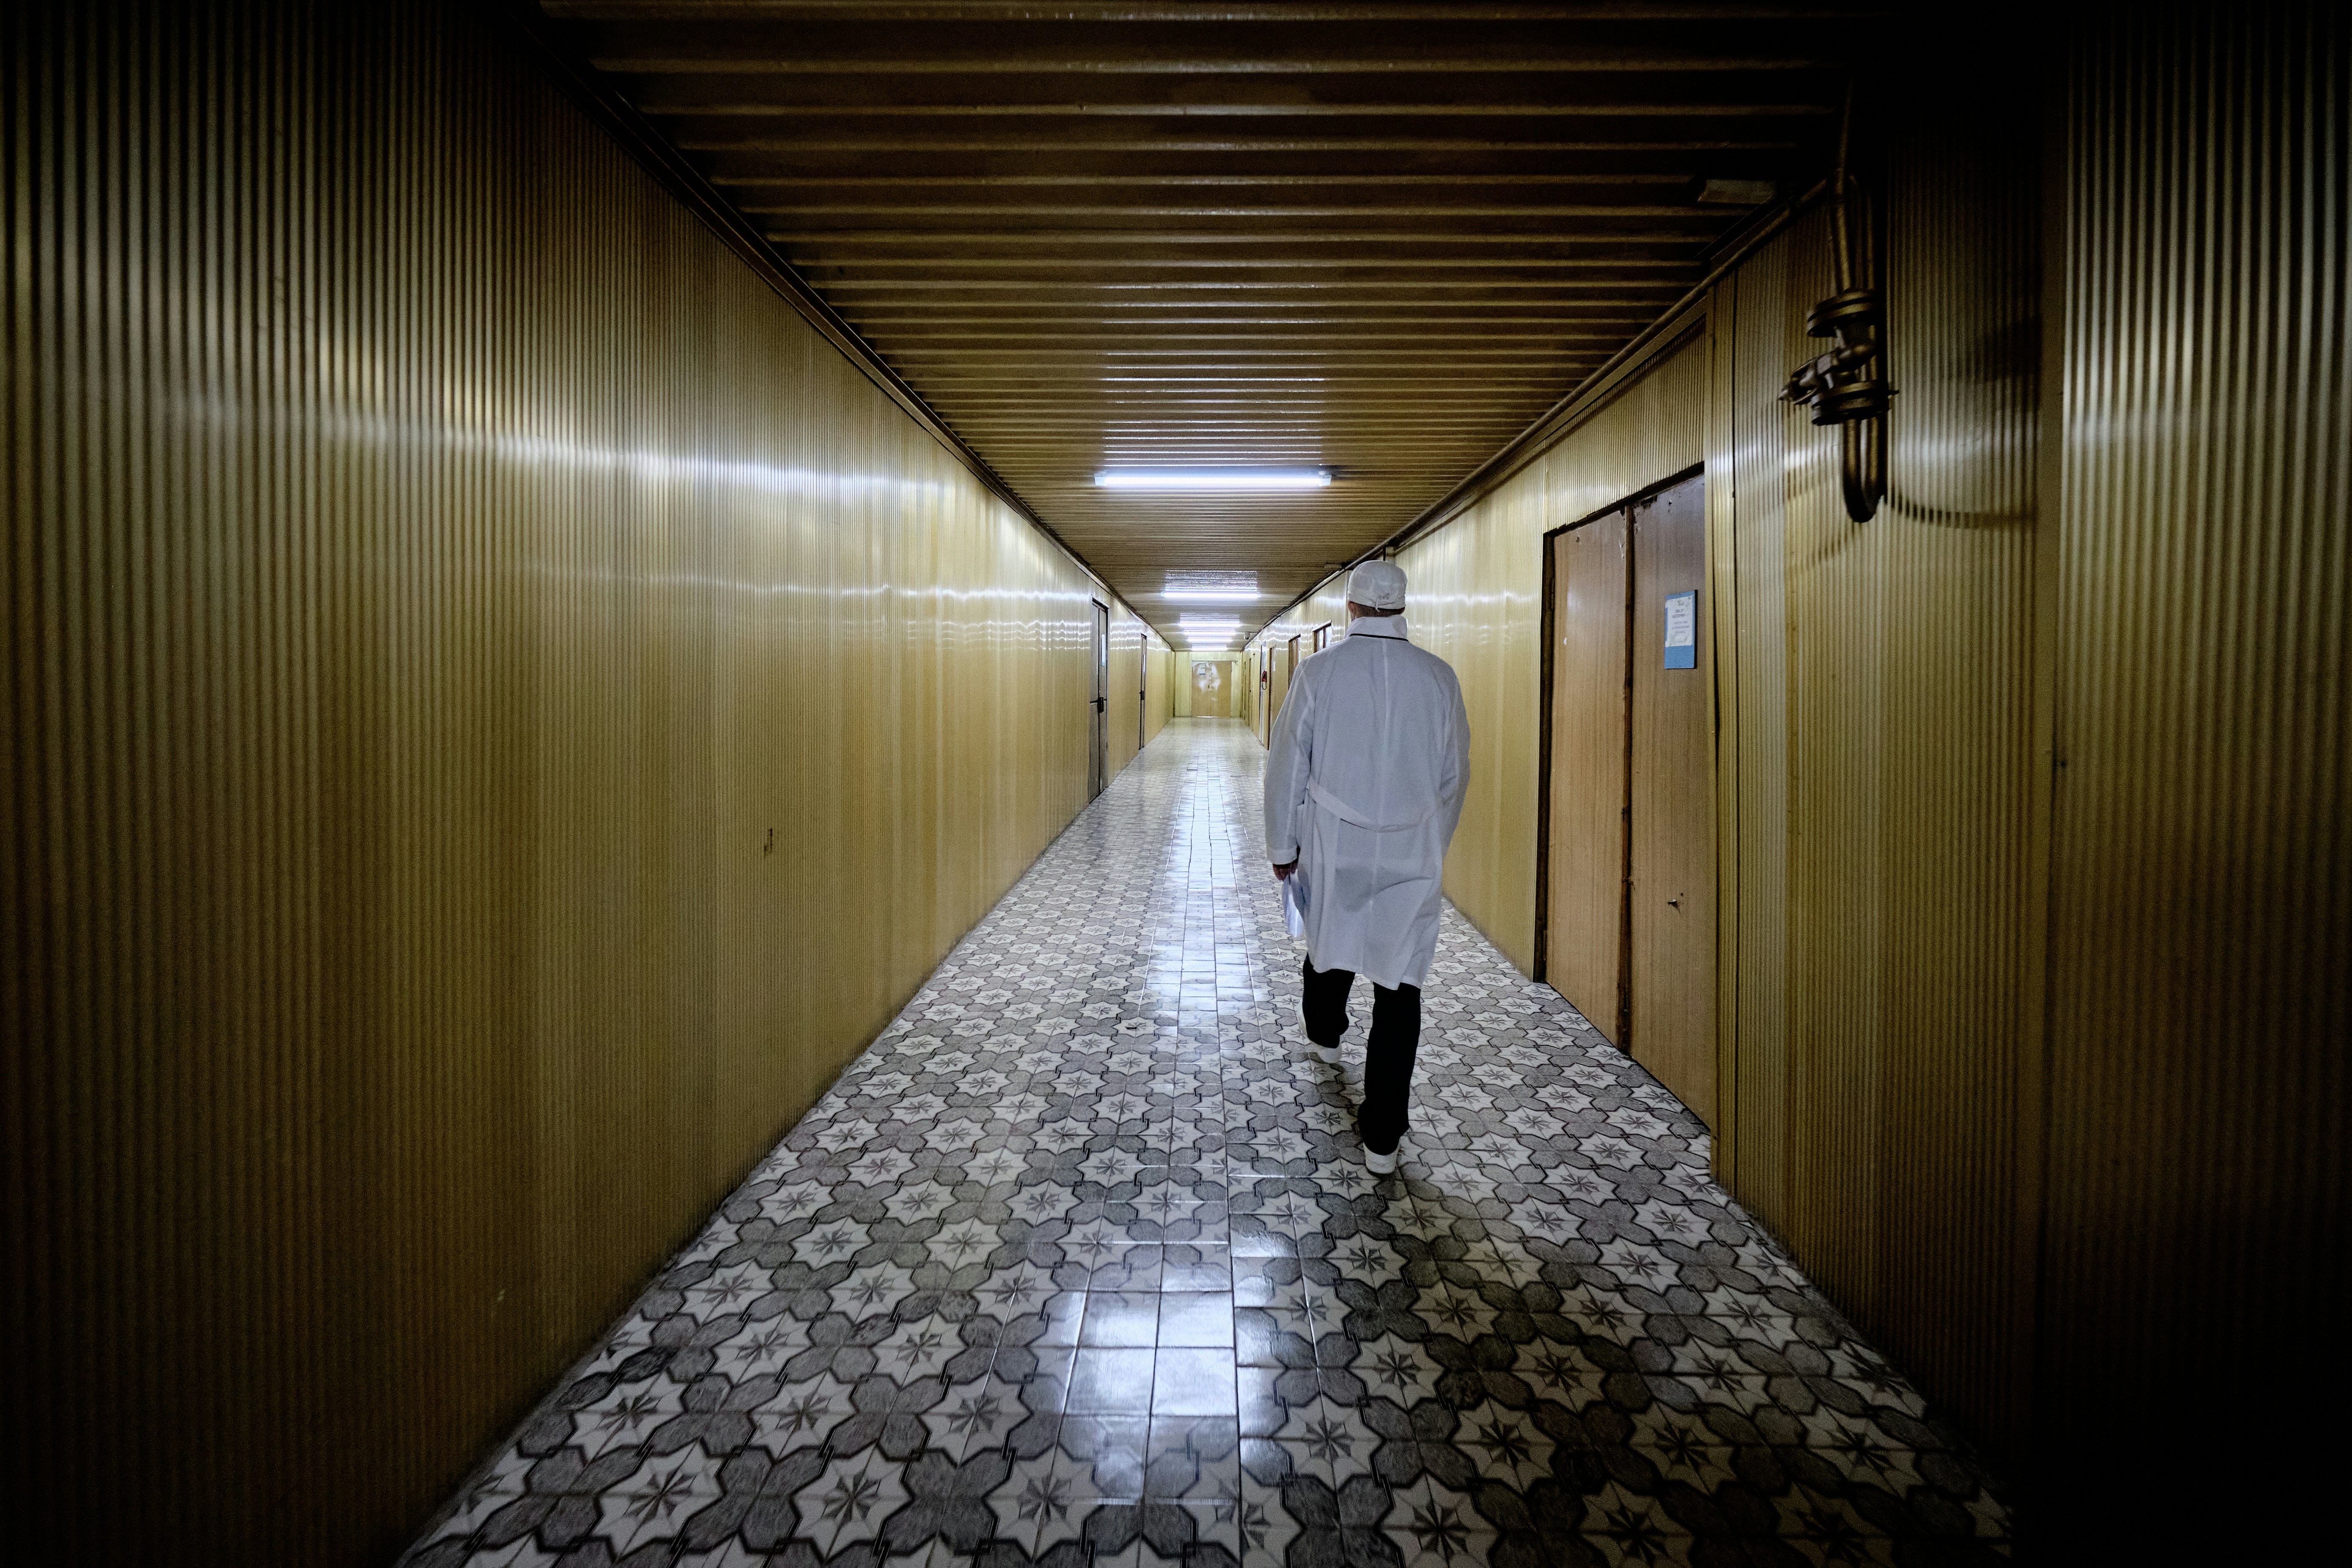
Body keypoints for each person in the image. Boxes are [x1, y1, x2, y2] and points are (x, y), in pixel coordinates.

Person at [1264, 560, 1470, 1175]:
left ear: (1349, 609)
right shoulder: (1439, 678)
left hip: (1335, 842)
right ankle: (1383, 1136)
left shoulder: (1318, 672)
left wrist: (1283, 847)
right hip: (1411, 850)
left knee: (1330, 943)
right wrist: (1433, 840)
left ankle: (1325, 1033)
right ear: (1401, 608)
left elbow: (1287, 765)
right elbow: (1454, 775)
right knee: (1400, 986)